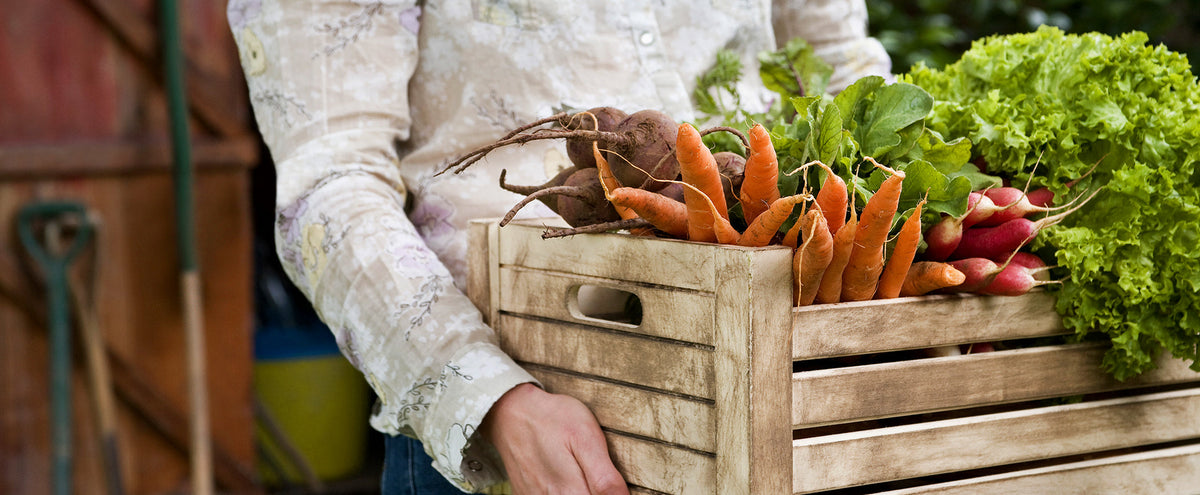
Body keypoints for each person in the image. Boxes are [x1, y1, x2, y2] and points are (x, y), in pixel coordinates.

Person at [226, 1, 891, 493]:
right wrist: (494, 402)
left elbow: (843, 71)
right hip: (533, 433)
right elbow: (330, 189)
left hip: (789, 381)